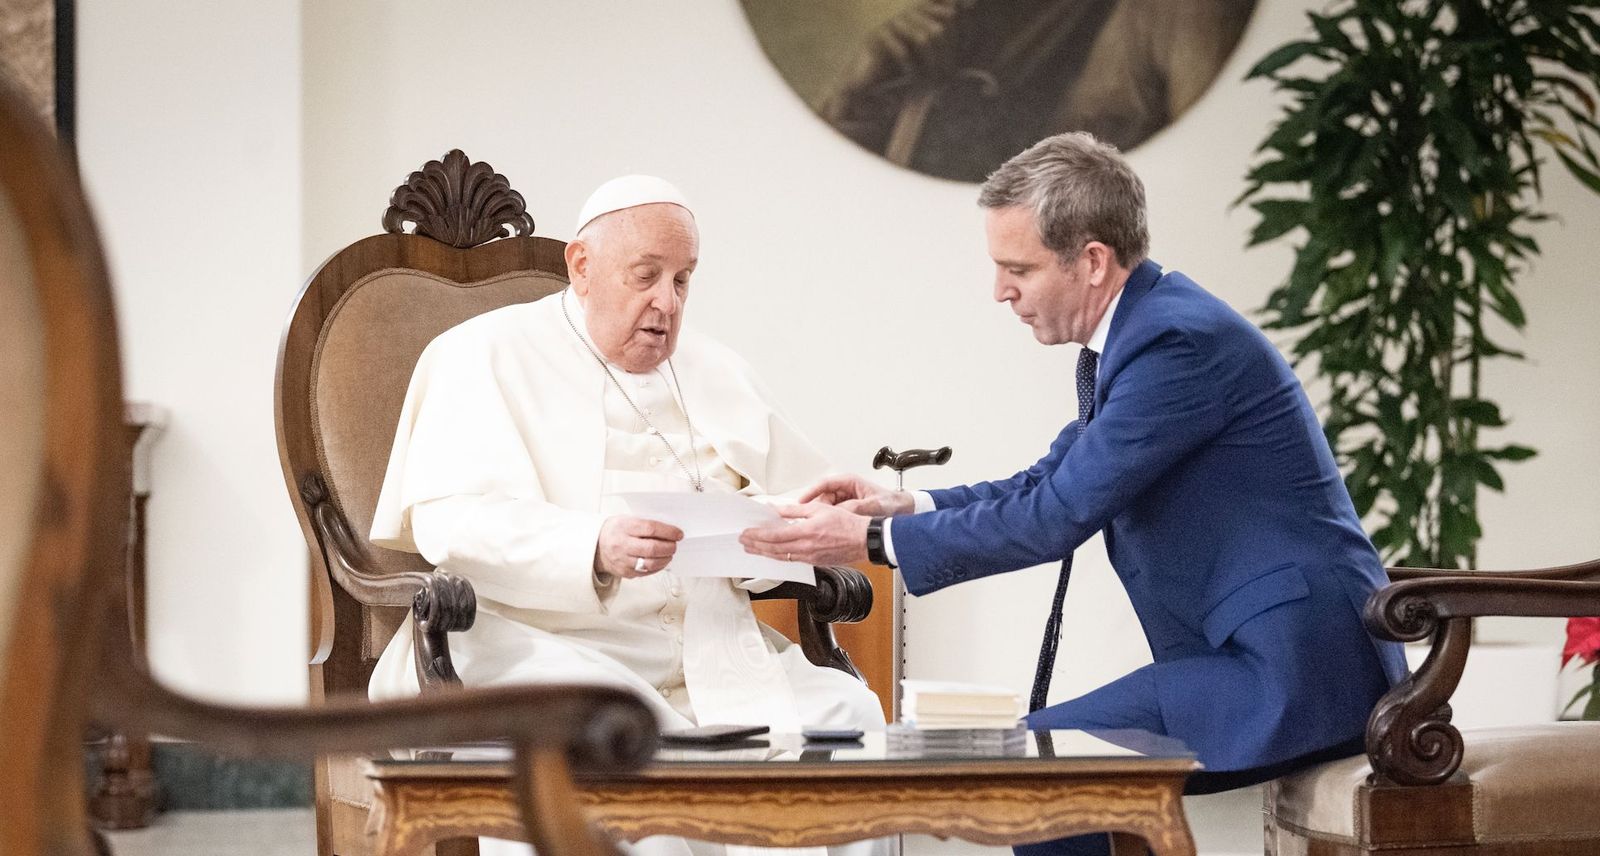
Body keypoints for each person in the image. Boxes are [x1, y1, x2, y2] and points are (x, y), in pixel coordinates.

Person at [740, 132, 1407, 856]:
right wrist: (900, 507)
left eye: (1016, 268)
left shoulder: (1174, 345)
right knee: (1040, 779)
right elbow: (1045, 481)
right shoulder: (1142, 336)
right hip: (1253, 657)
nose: (1000, 291)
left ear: (1091, 261)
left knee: (1039, 784)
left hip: (1297, 671)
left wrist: (869, 544)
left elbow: (1054, 518)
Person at [367, 175, 883, 742]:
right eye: (646, 276)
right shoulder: (481, 353)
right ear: (582, 266)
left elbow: (769, 531)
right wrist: (593, 546)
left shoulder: (717, 370)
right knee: (615, 734)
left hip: (713, 654)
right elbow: (450, 522)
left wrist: (789, 525)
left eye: (683, 279)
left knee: (854, 718)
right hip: (538, 643)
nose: (668, 301)